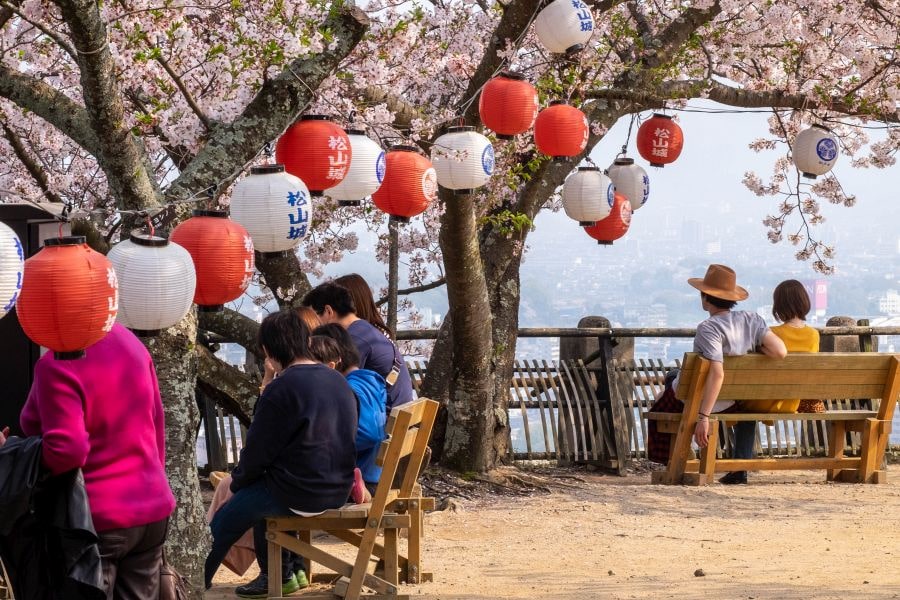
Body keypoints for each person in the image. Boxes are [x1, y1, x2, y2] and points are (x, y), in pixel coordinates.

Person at [204, 310, 357, 598]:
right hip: (337, 487)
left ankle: (191, 581)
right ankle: (279, 574)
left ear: (270, 350)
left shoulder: (282, 387)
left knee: (225, 520)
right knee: (257, 500)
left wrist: (235, 484)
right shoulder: (337, 380)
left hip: (297, 492)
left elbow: (257, 454)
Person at [18, 323, 175, 599]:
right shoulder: (129, 342)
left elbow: (67, 448)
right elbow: (156, 422)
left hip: (95, 519)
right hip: (151, 508)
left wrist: (17, 453)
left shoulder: (57, 363)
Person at [687, 264, 787, 485]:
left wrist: (703, 416)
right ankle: (740, 468)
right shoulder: (752, 320)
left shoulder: (708, 327)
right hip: (739, 398)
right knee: (745, 412)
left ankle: (679, 459)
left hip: (714, 398)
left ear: (705, 298)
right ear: (732, 299)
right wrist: (755, 348)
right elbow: (780, 351)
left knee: (669, 390)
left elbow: (717, 373)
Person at [302, 281, 414, 412]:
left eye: (315, 317)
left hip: (382, 421)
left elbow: (334, 387)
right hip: (395, 412)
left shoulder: (355, 338)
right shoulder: (365, 330)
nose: (315, 324)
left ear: (328, 311)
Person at [314, 324, 389, 503]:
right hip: (377, 474)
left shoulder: (349, 390)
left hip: (361, 480)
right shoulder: (370, 380)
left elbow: (368, 434)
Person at [742, 279, 822, 414]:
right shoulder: (814, 335)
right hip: (791, 403)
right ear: (804, 302)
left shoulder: (771, 333)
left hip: (760, 401)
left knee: (739, 402)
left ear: (778, 306)